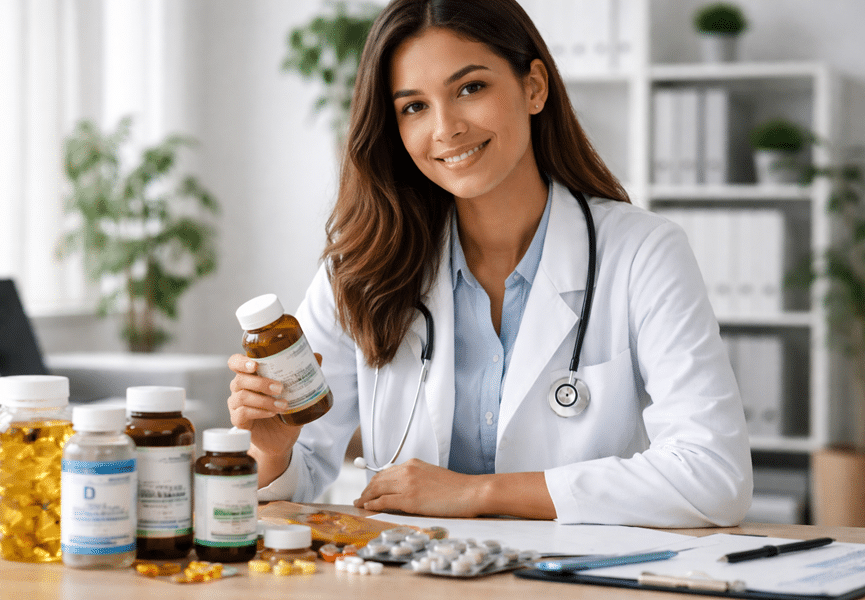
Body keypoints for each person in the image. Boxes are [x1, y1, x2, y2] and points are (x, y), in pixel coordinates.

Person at [227, 0, 752, 526]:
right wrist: (272, 452)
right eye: (414, 107)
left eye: (470, 88)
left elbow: (714, 476)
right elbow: (299, 475)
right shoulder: (362, 266)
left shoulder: (642, 252)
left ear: (534, 87)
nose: (446, 128)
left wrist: (477, 494)